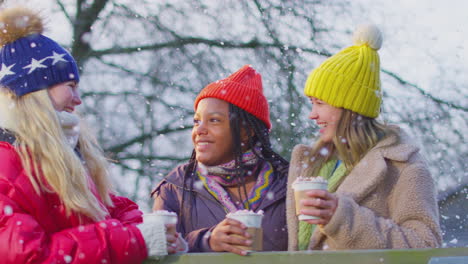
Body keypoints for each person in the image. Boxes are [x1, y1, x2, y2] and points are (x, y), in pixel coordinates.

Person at [0, 7, 185, 263]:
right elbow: (32, 256)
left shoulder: (63, 156)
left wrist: (153, 232)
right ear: (36, 90)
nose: (77, 99)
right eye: (70, 87)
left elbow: (106, 213)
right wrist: (136, 239)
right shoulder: (5, 166)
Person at [286, 24, 442, 251]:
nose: (312, 115)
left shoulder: (403, 167)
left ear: (350, 108)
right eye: (311, 103)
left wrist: (342, 218)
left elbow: (425, 245)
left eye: (320, 103)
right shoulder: (311, 163)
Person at [152, 65, 290, 255]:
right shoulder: (175, 188)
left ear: (246, 131)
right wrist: (206, 241)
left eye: (214, 120)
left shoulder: (287, 185)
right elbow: (156, 250)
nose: (199, 130)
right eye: (196, 121)